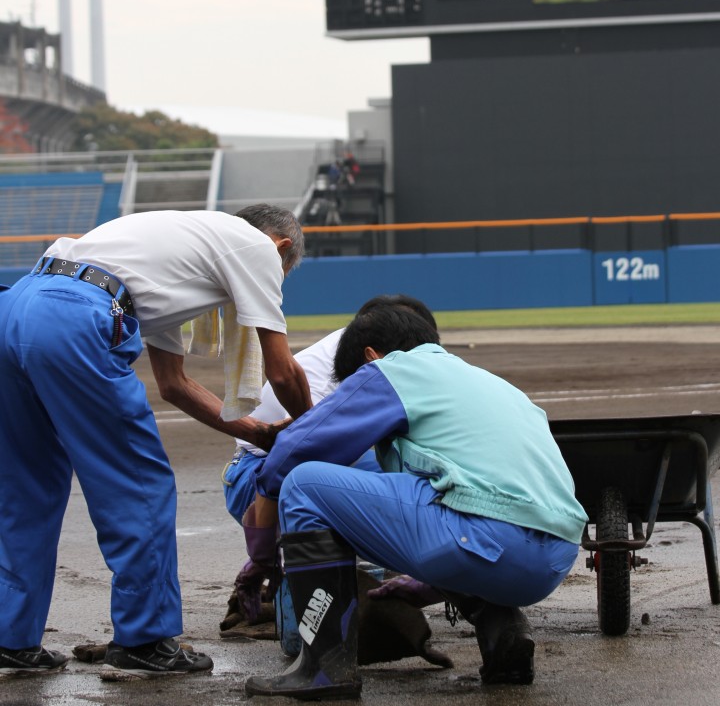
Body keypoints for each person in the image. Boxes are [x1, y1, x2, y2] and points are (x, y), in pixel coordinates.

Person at [0, 203, 312, 679]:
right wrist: (316, 427)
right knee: (138, 484)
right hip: (75, 316)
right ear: (281, 247)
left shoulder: (173, 255)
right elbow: (283, 370)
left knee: (27, 489)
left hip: (18, 305)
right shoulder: (256, 247)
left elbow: (174, 384)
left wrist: (260, 433)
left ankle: (10, 637)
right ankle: (145, 638)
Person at [243, 303, 588, 699]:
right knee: (428, 497)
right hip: (551, 560)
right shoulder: (489, 383)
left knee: (304, 484)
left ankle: (324, 669)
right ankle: (500, 632)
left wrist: (261, 549)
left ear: (371, 356)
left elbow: (290, 454)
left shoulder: (393, 369)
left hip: (485, 539)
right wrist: (429, 585)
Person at [221, 295, 438, 628]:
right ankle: (307, 611)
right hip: (256, 479)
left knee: (403, 474)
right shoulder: (349, 372)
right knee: (393, 484)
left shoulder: (364, 351)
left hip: (275, 475)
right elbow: (288, 463)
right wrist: (260, 557)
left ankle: (317, 587)